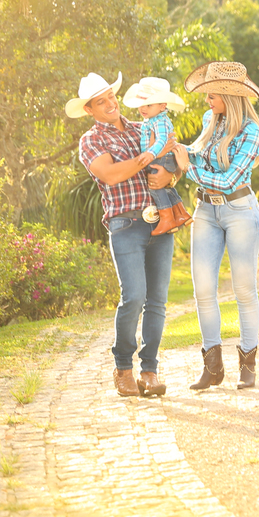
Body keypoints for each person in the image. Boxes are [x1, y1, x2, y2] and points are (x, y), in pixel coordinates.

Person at [67, 72, 188, 398]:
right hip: (125, 226)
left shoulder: (144, 127)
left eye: (110, 96)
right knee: (134, 296)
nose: (110, 104)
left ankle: (149, 371)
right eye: (100, 101)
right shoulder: (92, 140)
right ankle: (123, 367)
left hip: (160, 222)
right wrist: (147, 158)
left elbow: (171, 161)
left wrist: (169, 175)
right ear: (89, 110)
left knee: (157, 301)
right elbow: (110, 174)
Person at [181, 62, 259, 391]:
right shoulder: (209, 121)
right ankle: (212, 367)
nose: (207, 100)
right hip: (205, 210)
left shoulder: (250, 132)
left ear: (229, 96)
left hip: (239, 210)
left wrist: (187, 168)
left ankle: (247, 366)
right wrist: (182, 152)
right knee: (203, 291)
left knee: (244, 291)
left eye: (212, 94)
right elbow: (201, 159)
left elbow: (229, 180)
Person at [122, 77, 194, 237]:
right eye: (141, 104)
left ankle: (167, 218)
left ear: (163, 106)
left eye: (149, 104)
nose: (143, 108)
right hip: (164, 158)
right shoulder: (152, 120)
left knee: (154, 187)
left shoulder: (159, 121)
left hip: (161, 158)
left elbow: (162, 140)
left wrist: (150, 154)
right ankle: (181, 213)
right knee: (167, 189)